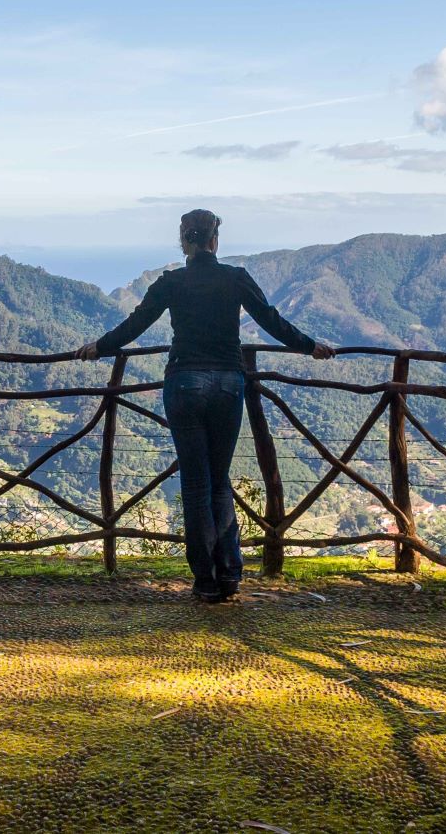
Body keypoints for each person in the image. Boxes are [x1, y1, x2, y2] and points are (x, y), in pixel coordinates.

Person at [75, 209, 335, 603]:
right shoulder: (236, 278)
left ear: (184, 241)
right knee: (219, 480)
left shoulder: (171, 283)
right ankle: (230, 573)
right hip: (229, 383)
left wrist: (99, 348)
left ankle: (206, 581)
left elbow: (136, 323)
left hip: (184, 382)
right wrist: (309, 346)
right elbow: (271, 320)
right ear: (216, 241)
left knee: (196, 485)